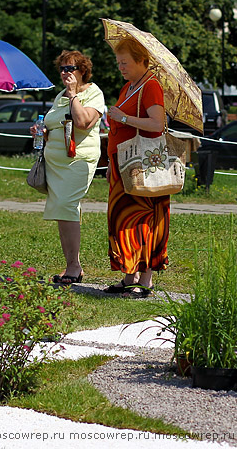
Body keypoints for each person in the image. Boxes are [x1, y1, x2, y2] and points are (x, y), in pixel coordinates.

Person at [31, 50, 106, 285]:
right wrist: (41, 131)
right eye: (62, 69)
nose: (65, 73)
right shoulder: (60, 96)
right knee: (61, 212)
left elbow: (83, 123)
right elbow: (54, 124)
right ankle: (71, 264)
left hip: (78, 160)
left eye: (70, 69)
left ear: (82, 71)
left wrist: (74, 94)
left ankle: (74, 266)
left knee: (67, 206)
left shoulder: (93, 93)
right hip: (55, 162)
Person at [104, 37, 168, 298]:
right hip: (122, 165)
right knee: (122, 219)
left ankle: (146, 278)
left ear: (142, 61)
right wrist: (110, 162)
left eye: (125, 62)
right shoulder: (129, 87)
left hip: (142, 167)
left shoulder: (151, 87)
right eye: (118, 62)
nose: (121, 67)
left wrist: (124, 117)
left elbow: (157, 124)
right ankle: (128, 275)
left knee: (143, 220)